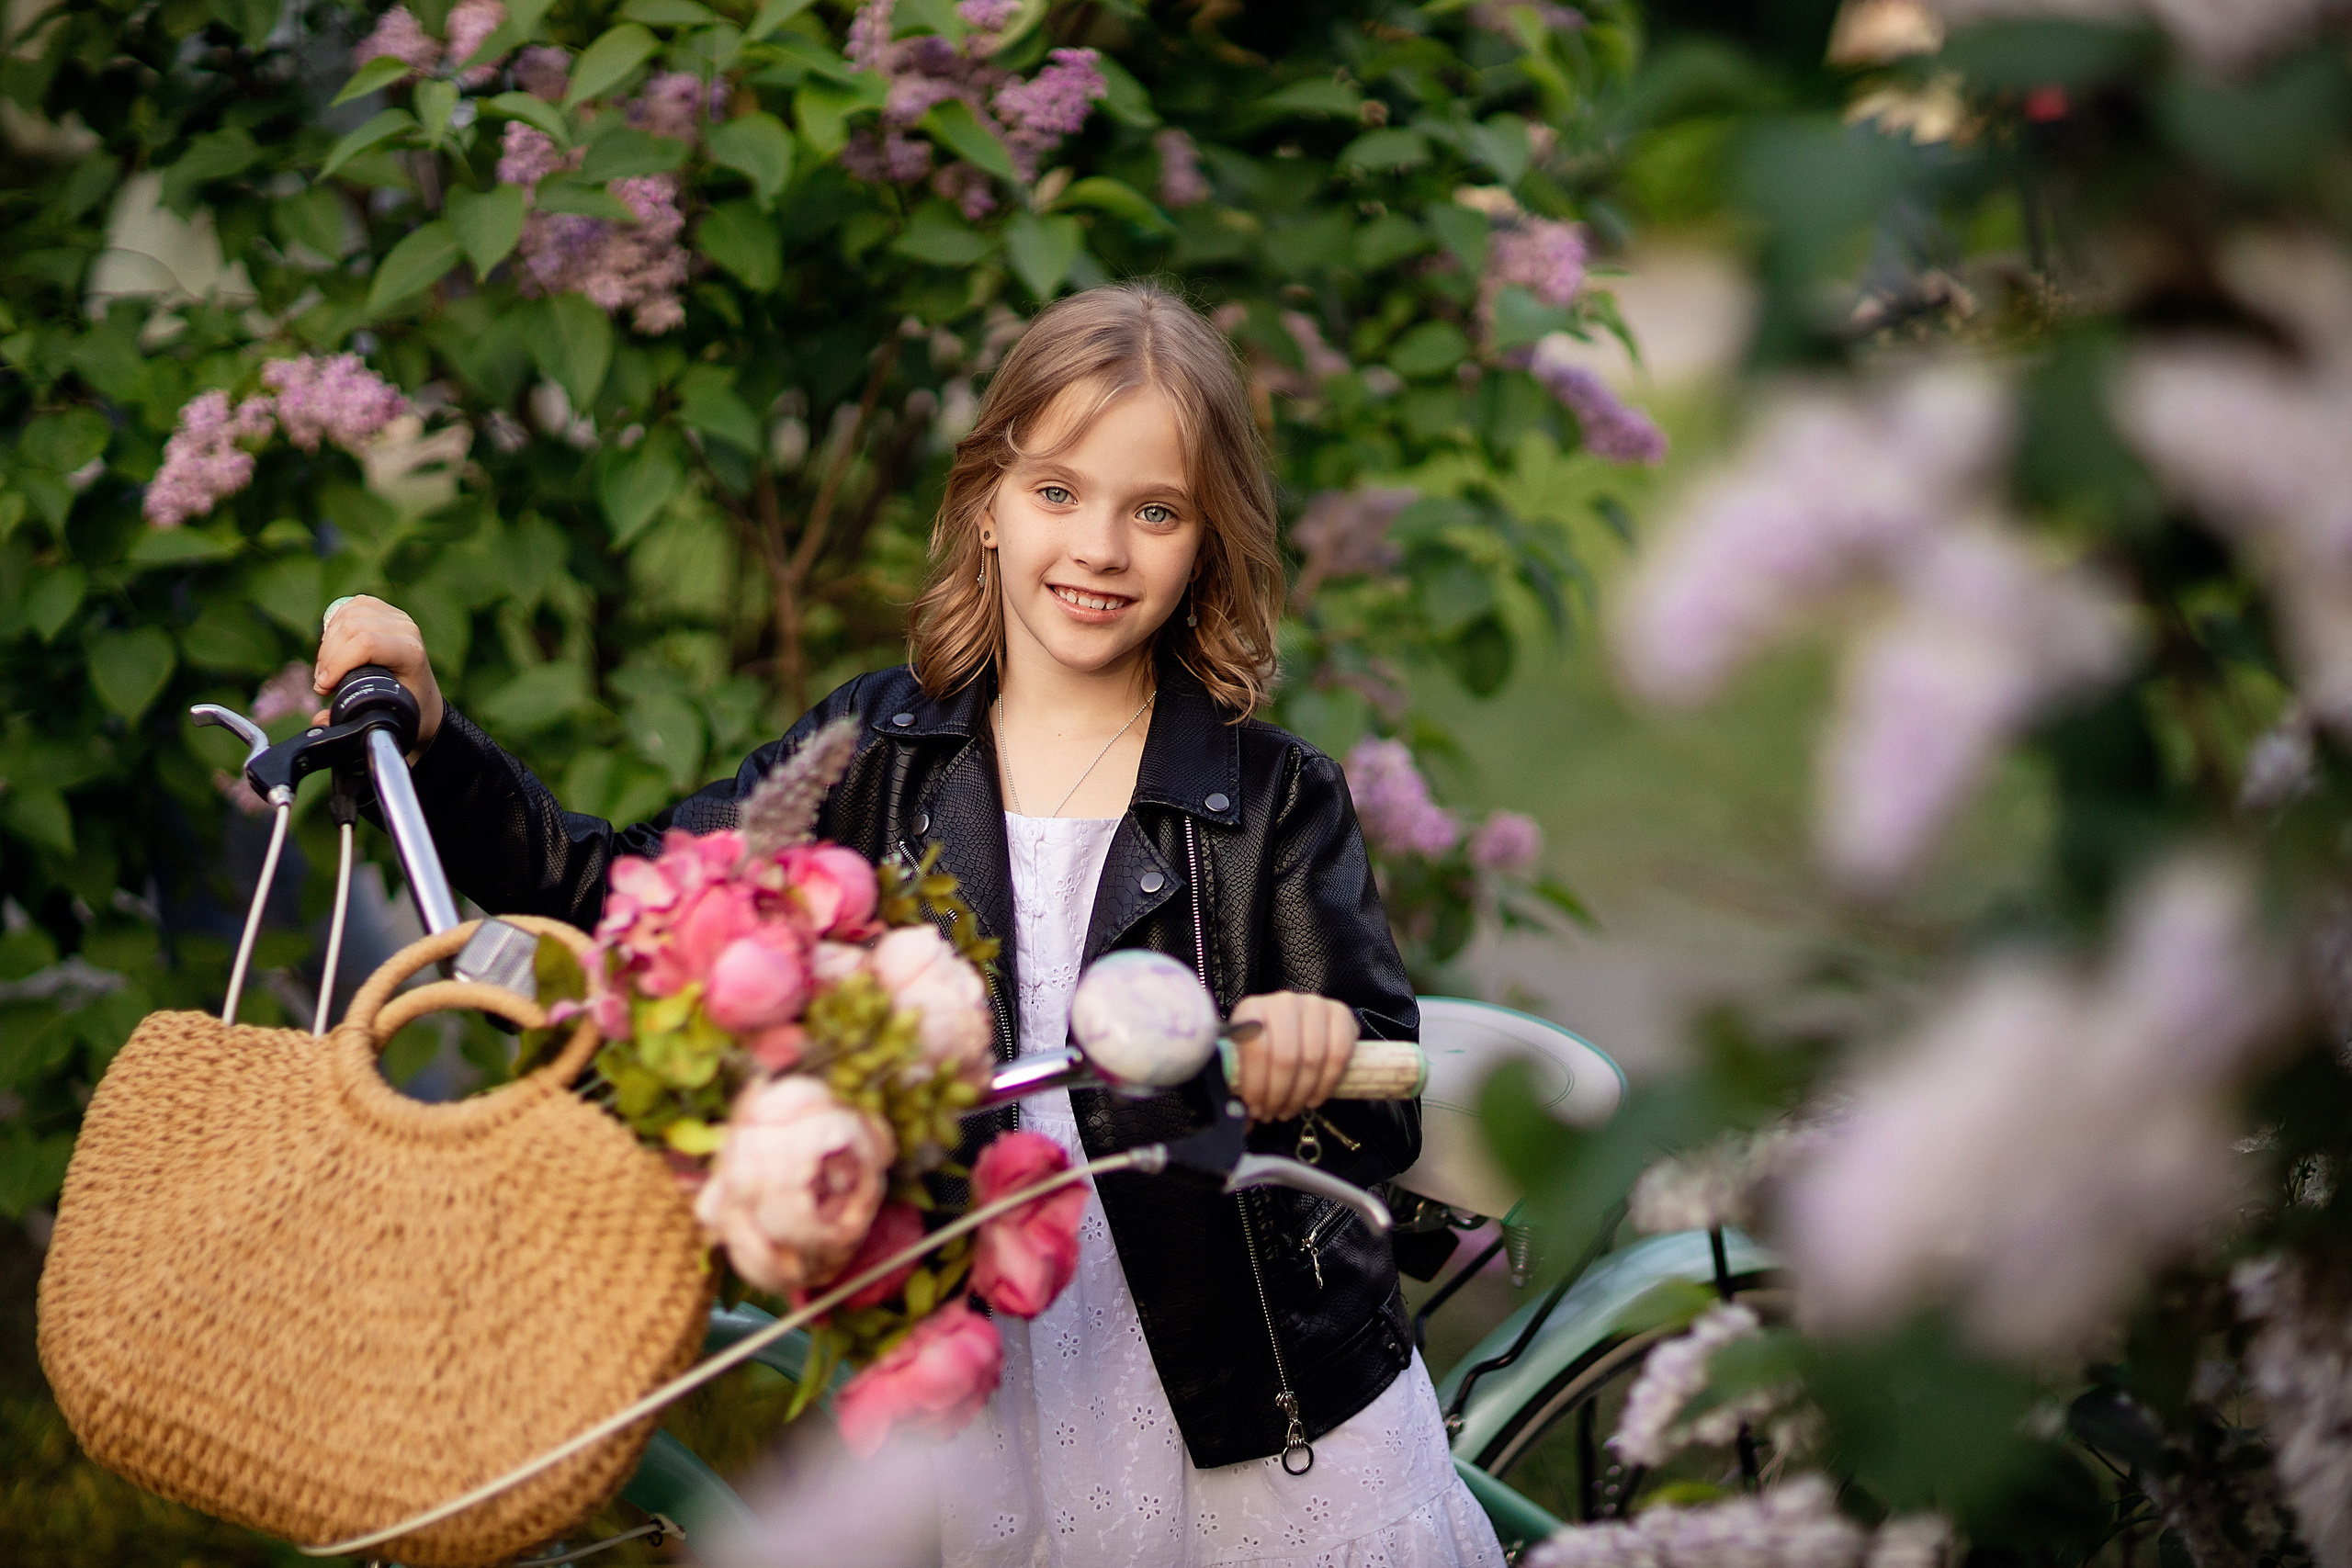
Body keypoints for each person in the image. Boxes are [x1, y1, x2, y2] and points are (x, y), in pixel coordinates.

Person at [311, 282, 1506, 1568]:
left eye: (1154, 512)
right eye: (1058, 493)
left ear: (1207, 541)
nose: (1100, 547)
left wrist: (1303, 1045)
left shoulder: (1269, 797)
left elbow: (1381, 1097)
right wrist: (435, 740)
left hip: (1252, 1396)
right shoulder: (884, 753)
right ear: (985, 504)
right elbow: (625, 896)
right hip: (1008, 1363)